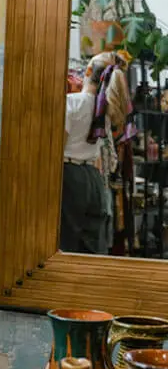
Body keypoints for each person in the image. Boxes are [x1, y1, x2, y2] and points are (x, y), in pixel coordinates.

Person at [60, 51, 131, 254]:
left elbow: (58, 148)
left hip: (69, 175)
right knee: (93, 244)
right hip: (94, 179)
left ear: (89, 71)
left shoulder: (71, 103)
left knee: (67, 243)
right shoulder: (105, 111)